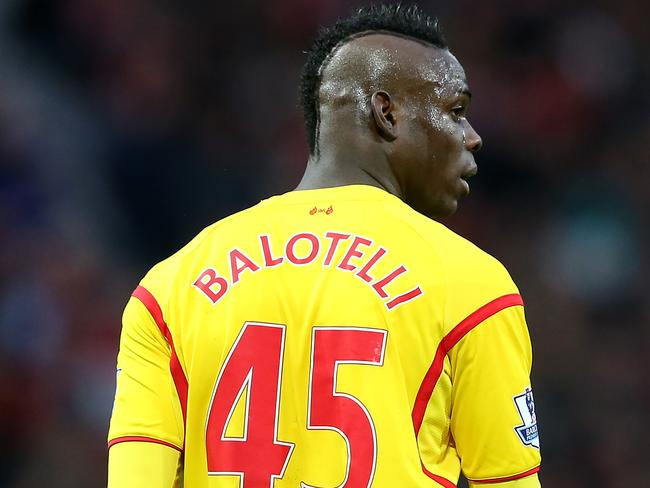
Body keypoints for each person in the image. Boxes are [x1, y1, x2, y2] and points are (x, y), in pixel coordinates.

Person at [107, 4, 541, 487]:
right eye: (456, 111)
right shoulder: (471, 283)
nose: (473, 137)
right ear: (386, 113)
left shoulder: (169, 288)